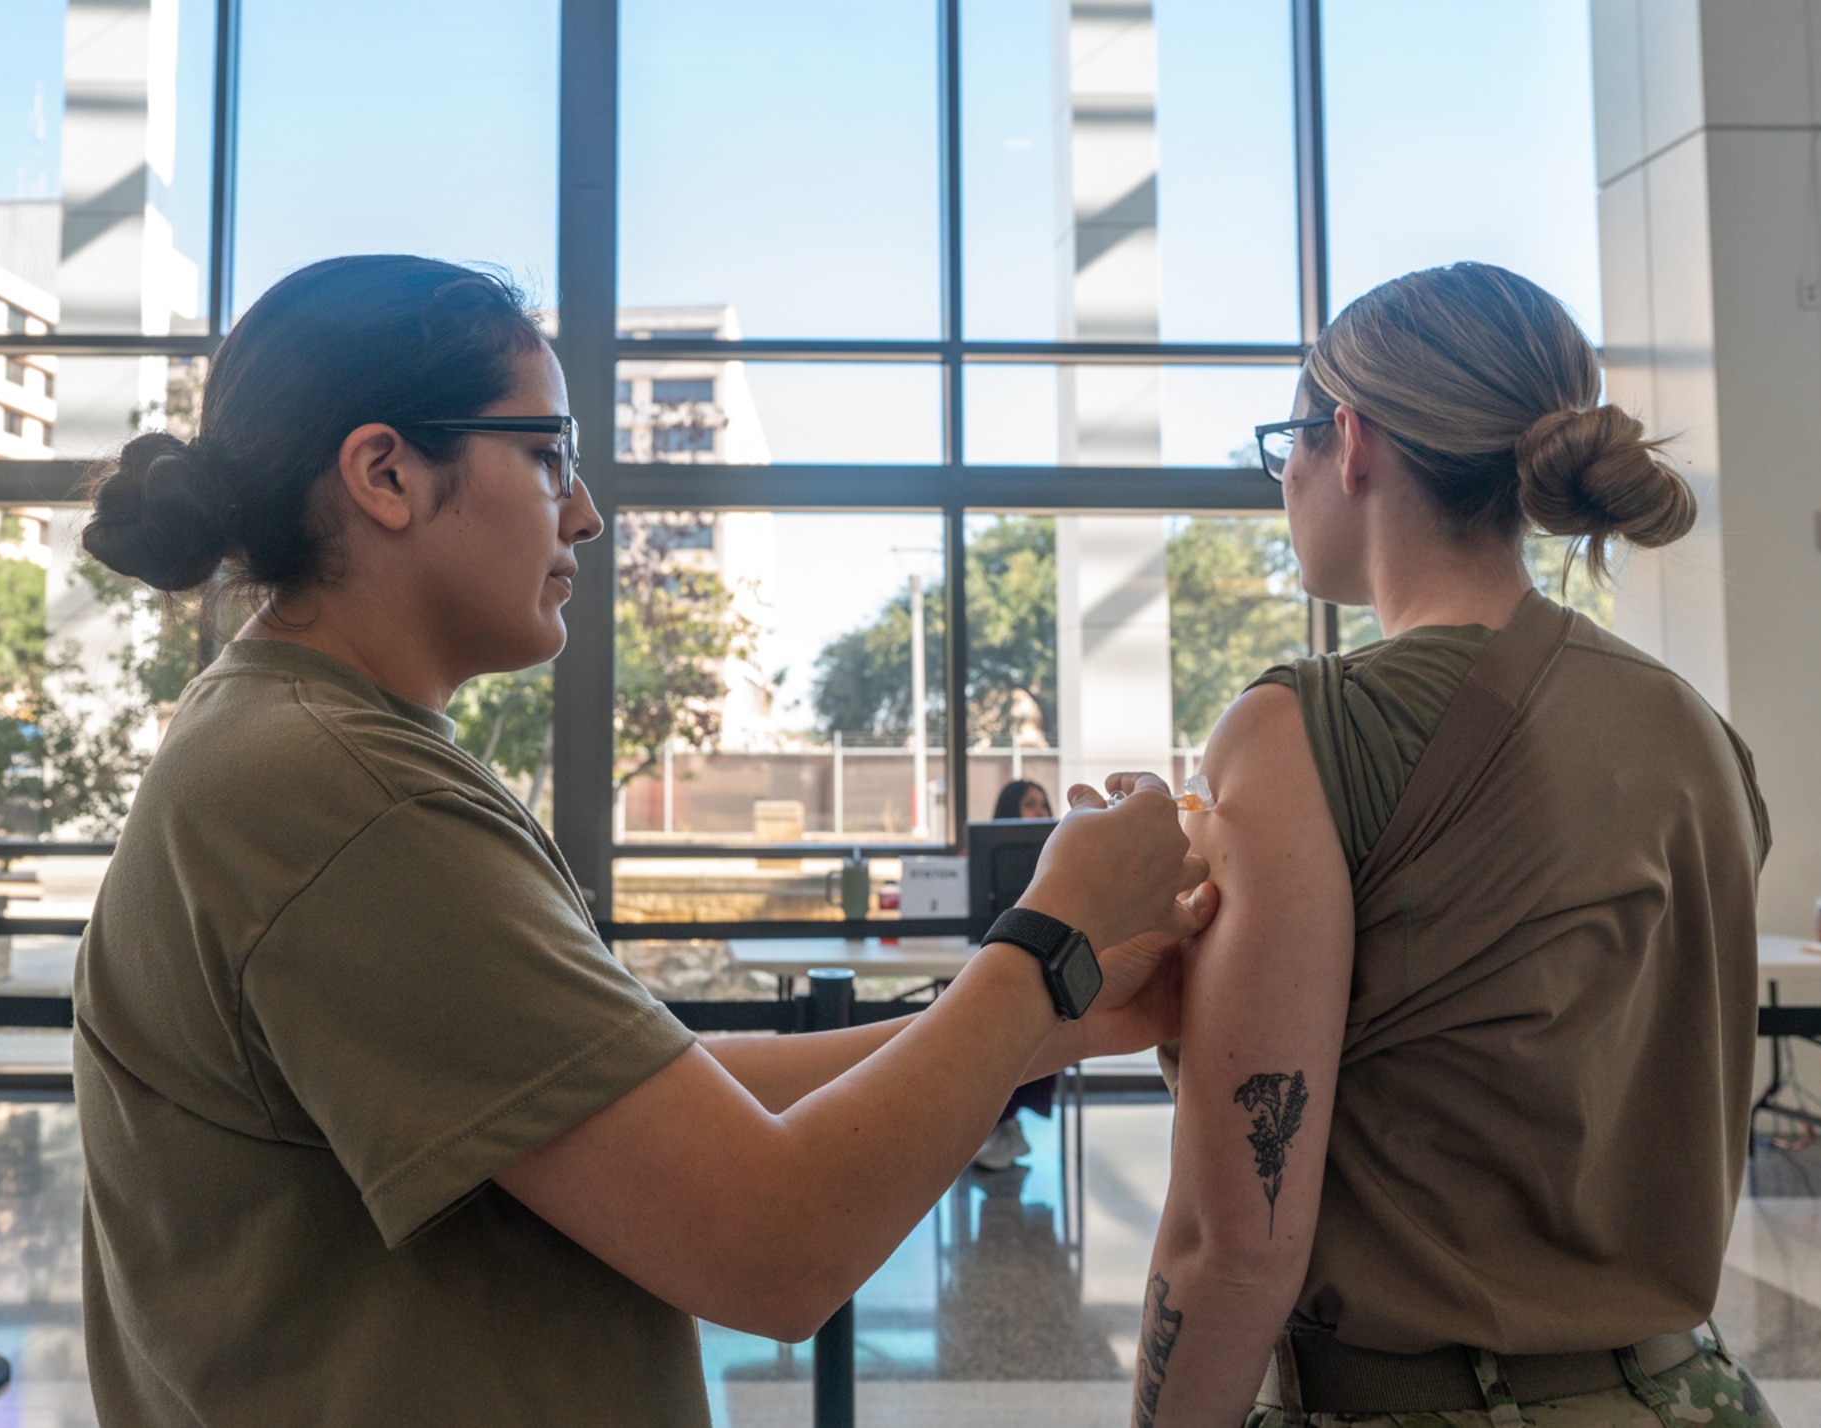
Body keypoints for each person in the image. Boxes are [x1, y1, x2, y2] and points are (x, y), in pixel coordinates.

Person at [70, 255, 1217, 1427]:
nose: (586, 513)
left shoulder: (298, 746)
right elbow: (774, 1247)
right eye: (547, 454)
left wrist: (1062, 1015)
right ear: (386, 473)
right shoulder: (349, 795)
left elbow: (650, 1102)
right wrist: (1050, 930)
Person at [1134, 263, 1775, 1428]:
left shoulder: (1297, 731)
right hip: (1691, 1393)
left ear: (1352, 440)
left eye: (1289, 443)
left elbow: (1231, 1251)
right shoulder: (1696, 735)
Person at [974, 778, 1060, 1171]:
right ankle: (992, 1123)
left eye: (1044, 805)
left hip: (1035, 968)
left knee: (1043, 1016)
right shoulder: (988, 859)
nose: (1041, 813)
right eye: (1030, 804)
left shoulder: (1058, 860)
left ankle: (1000, 1124)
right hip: (986, 964)